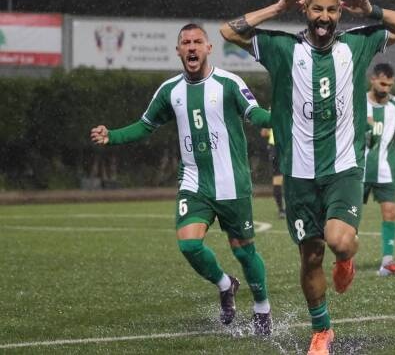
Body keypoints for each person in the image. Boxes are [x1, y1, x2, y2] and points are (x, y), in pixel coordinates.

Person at [219, 0, 395, 355]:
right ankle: (322, 331)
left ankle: (346, 258)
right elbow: (229, 32)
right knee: (310, 256)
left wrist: (370, 11)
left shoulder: (356, 44)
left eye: (331, 9)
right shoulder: (282, 48)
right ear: (305, 11)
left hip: (343, 169)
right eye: (317, 9)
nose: (324, 17)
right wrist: (275, 9)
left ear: (340, 11)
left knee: (339, 240)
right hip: (299, 175)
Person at [89, 23, 274, 335]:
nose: (191, 47)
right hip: (194, 182)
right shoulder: (170, 91)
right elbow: (145, 125)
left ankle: (262, 307)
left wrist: (279, 118)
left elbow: (253, 113)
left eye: (197, 41)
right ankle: (225, 284)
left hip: (231, 182)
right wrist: (113, 136)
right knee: (189, 245)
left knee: (244, 252)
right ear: (178, 51)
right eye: (186, 42)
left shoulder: (229, 83)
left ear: (208, 48)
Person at [364, 62, 395, 276]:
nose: (386, 89)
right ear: (373, 79)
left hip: (385, 169)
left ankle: (387, 262)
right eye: (383, 84)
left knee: (390, 212)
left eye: (390, 85)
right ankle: (344, 261)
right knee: (349, 217)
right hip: (357, 169)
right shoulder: (358, 102)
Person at [261, 125, 286, 218]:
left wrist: (271, 131)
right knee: (293, 178)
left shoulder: (272, 116)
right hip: (287, 145)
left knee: (278, 179)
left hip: (275, 147)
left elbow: (263, 132)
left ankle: (281, 210)